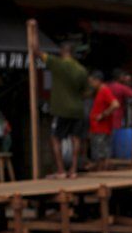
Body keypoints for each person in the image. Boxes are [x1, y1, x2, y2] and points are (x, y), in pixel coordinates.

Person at [30, 39, 88, 178]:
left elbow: (38, 53)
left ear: (63, 52)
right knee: (76, 139)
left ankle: (61, 170)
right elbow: (86, 92)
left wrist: (33, 40)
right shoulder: (81, 70)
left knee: (55, 138)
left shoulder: (57, 64)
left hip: (62, 109)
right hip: (77, 109)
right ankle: (73, 170)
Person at [88, 71, 120, 170]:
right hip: (97, 128)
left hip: (102, 128)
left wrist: (103, 115)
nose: (91, 84)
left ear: (97, 81)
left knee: (102, 153)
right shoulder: (99, 91)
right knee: (100, 152)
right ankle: (101, 168)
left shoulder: (105, 90)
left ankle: (103, 170)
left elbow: (115, 104)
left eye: (92, 82)